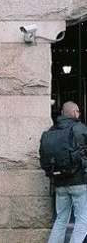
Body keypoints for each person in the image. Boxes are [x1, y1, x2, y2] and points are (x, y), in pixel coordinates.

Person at [45, 102, 87, 243]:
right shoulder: (79, 128)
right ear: (75, 112)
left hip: (60, 182)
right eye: (78, 112)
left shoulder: (51, 131)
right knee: (83, 220)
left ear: (62, 113)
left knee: (61, 219)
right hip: (79, 181)